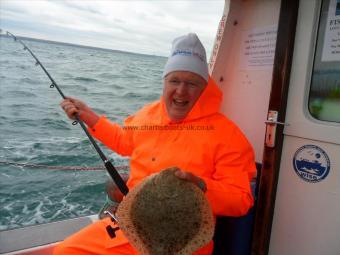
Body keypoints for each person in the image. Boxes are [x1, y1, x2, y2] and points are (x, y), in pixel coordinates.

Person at [54, 33, 256, 255]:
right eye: (175, 81)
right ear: (165, 81)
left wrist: (202, 186)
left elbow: (241, 199)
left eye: (191, 83)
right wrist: (88, 116)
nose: (181, 91)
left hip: (185, 242)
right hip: (131, 228)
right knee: (65, 251)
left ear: (204, 88)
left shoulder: (228, 135)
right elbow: (124, 141)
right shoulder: (148, 115)